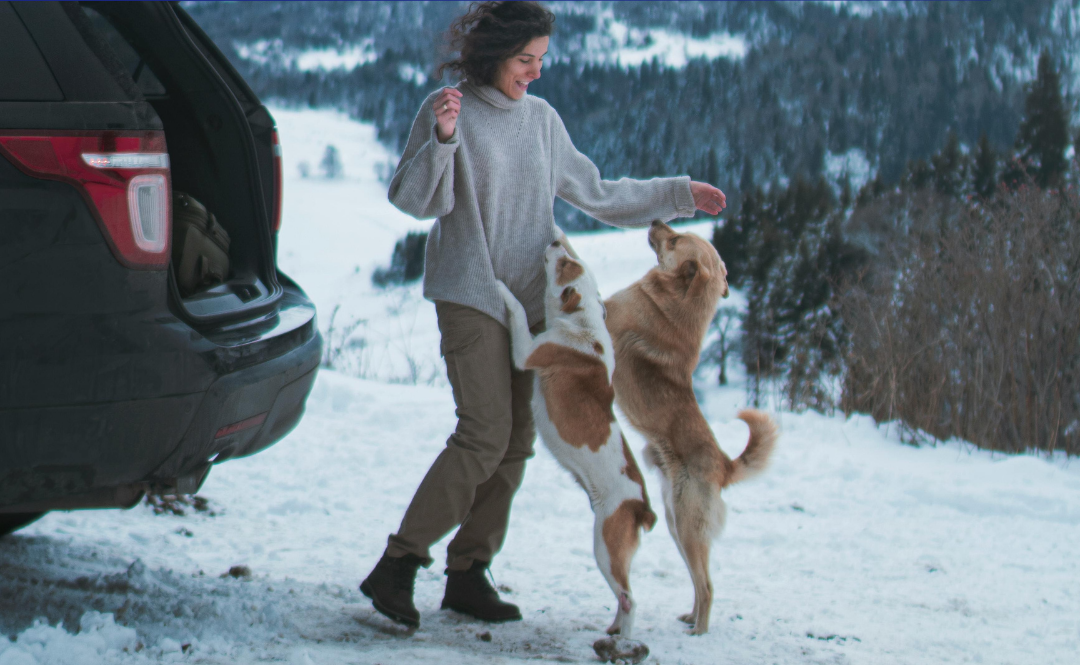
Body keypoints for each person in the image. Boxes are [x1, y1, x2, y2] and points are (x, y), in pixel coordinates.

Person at [360, 0, 727, 629]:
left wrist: (677, 195)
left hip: (534, 303)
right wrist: (443, 140)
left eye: (541, 60)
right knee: (484, 433)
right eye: (526, 60)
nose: (536, 73)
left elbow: (599, 193)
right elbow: (414, 201)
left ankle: (469, 571)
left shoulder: (541, 121)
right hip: (471, 292)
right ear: (496, 53)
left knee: (516, 443)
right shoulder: (448, 108)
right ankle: (397, 564)